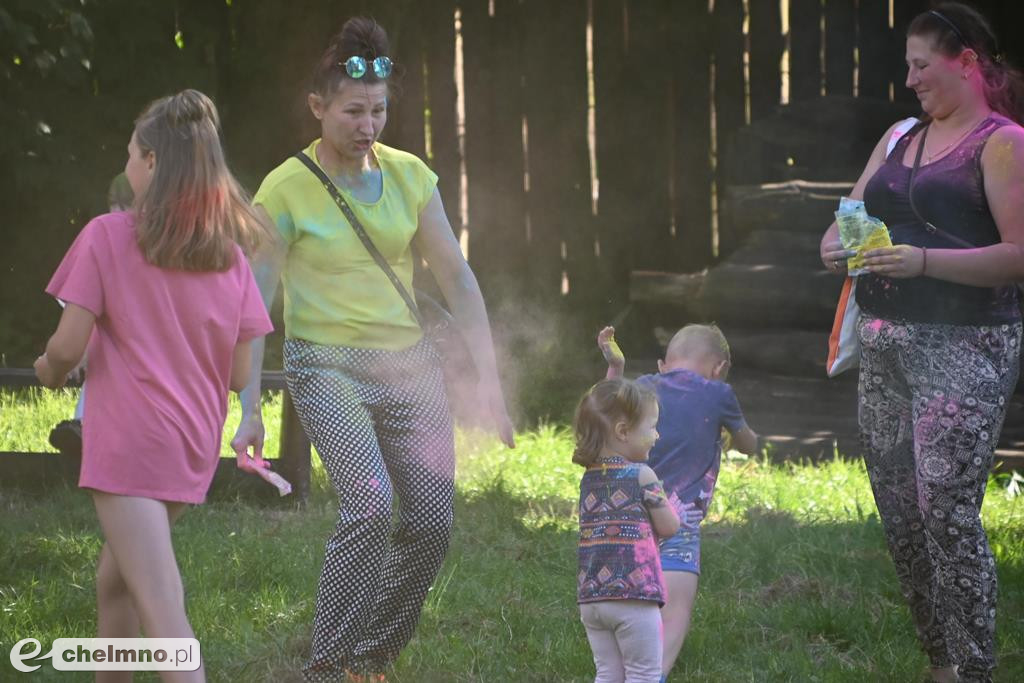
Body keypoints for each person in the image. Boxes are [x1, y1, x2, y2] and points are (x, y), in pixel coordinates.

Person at [229, 17, 515, 680]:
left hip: (409, 365)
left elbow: (458, 279)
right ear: (318, 107)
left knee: (434, 522)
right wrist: (247, 408)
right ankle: (326, 664)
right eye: (354, 110)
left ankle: (370, 656)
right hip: (323, 363)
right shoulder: (285, 188)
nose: (368, 124)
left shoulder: (413, 177)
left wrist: (492, 385)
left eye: (379, 110)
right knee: (369, 500)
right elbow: (252, 307)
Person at [33, 89, 273, 683]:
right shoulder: (230, 257)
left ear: (152, 164)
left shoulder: (108, 236)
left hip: (130, 449)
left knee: (164, 612)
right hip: (190, 447)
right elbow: (240, 374)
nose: (127, 166)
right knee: (115, 585)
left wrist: (49, 372)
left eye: (131, 155)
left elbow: (65, 347)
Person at [819, 4, 1024, 681]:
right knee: (902, 514)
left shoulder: (1002, 143)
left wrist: (923, 261)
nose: (910, 80)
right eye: (907, 66)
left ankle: (974, 668)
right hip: (883, 347)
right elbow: (850, 217)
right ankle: (941, 663)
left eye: (921, 64)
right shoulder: (900, 136)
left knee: (945, 508)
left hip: (966, 348)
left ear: (966, 61)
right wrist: (840, 243)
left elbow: (1019, 254)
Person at [598, 325, 757, 680]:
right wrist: (746, 439)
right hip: (679, 521)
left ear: (662, 364)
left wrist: (615, 368)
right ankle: (653, 675)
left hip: (629, 515)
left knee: (629, 600)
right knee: (674, 610)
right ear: (719, 367)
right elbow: (747, 444)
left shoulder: (643, 386)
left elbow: (605, 412)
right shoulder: (719, 392)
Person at [574, 377, 680, 683]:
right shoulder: (643, 475)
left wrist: (615, 369)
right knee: (643, 674)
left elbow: (601, 401)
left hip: (592, 598)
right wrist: (674, 508)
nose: (657, 435)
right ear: (622, 431)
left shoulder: (588, 479)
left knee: (608, 673)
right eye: (651, 427)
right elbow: (669, 525)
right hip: (633, 595)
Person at [47, 172, 135, 457]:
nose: (120, 215)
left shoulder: (110, 241)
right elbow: (82, 313)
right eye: (115, 205)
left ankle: (89, 431)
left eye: (126, 207)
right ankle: (86, 430)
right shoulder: (105, 243)